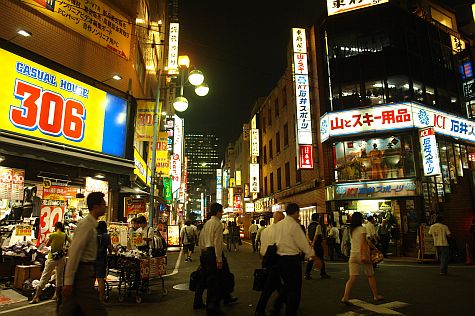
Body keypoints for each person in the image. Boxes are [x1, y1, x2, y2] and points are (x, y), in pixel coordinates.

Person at [59, 192, 108, 315]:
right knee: (95, 309)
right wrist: (68, 282)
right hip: (82, 273)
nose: (105, 207)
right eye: (103, 204)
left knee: (70, 308)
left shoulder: (92, 225)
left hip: (85, 272)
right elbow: (74, 252)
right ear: (96, 207)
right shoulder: (86, 225)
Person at [273, 203, 320, 316]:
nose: (298, 215)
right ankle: (289, 311)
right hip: (291, 260)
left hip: (280, 259)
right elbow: (303, 243)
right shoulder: (293, 225)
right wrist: (313, 257)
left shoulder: (279, 225)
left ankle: (277, 305)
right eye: (298, 212)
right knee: (294, 288)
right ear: (295, 212)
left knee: (288, 285)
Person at [199, 203, 237, 315]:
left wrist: (203, 252)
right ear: (217, 212)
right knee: (216, 279)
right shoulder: (217, 223)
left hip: (207, 252)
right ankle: (213, 306)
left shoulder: (207, 223)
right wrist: (219, 259)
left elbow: (201, 239)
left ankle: (224, 298)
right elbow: (218, 243)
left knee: (214, 278)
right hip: (214, 253)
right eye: (221, 211)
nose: (222, 213)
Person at [341, 212, 384, 305]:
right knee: (370, 275)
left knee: (352, 277)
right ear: (360, 219)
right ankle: (376, 296)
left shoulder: (351, 230)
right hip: (362, 254)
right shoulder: (362, 229)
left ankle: (345, 297)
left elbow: (363, 241)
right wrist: (372, 250)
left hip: (352, 255)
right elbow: (364, 242)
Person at [30, 221, 71, 304]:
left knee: (44, 277)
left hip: (52, 258)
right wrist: (65, 249)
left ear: (55, 227)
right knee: (59, 277)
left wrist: (48, 241)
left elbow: (48, 245)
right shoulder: (64, 235)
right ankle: (56, 295)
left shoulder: (53, 235)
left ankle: (36, 297)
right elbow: (72, 242)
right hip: (61, 258)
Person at [255, 211, 285, 316]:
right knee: (271, 286)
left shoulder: (266, 230)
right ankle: (267, 308)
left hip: (266, 260)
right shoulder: (280, 231)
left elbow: (262, 246)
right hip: (276, 260)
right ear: (281, 219)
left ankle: (281, 302)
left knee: (274, 284)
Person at [304, 213, 330, 280]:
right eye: (318, 217)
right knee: (321, 258)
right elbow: (316, 235)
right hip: (317, 244)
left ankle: (307, 274)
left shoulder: (309, 225)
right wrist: (314, 243)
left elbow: (307, 234)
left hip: (311, 244)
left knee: (311, 259)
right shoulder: (318, 225)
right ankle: (323, 274)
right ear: (317, 218)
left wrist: (310, 241)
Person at [96, 221, 113, 303]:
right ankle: (101, 298)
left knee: (92, 279)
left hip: (92, 258)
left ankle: (91, 298)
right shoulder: (106, 236)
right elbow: (110, 249)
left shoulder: (93, 235)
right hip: (102, 259)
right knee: (100, 279)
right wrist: (111, 252)